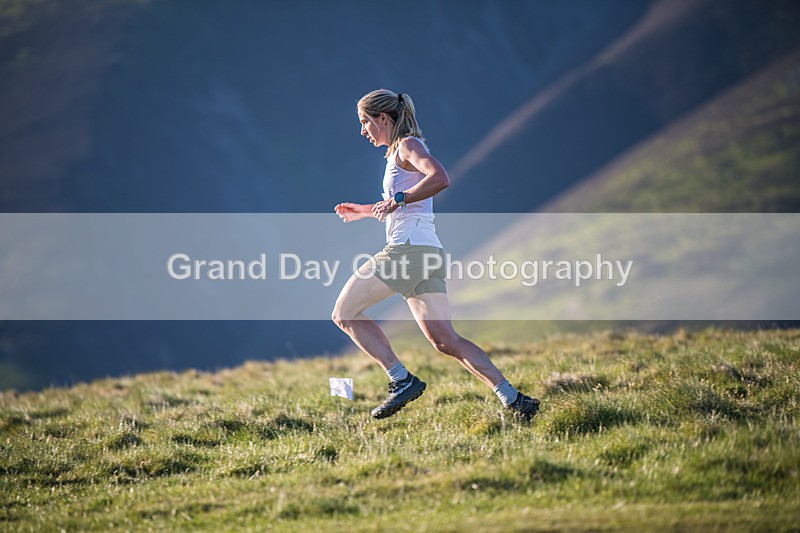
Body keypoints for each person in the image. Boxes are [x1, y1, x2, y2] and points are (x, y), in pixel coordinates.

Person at [332, 89, 539, 421]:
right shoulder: (399, 152)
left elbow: (440, 178)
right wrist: (367, 210)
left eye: (365, 122)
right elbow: (405, 205)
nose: (362, 131)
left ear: (383, 119)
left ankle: (401, 380)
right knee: (446, 340)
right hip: (428, 251)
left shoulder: (407, 146)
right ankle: (515, 400)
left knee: (344, 314)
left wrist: (398, 198)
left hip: (407, 252)